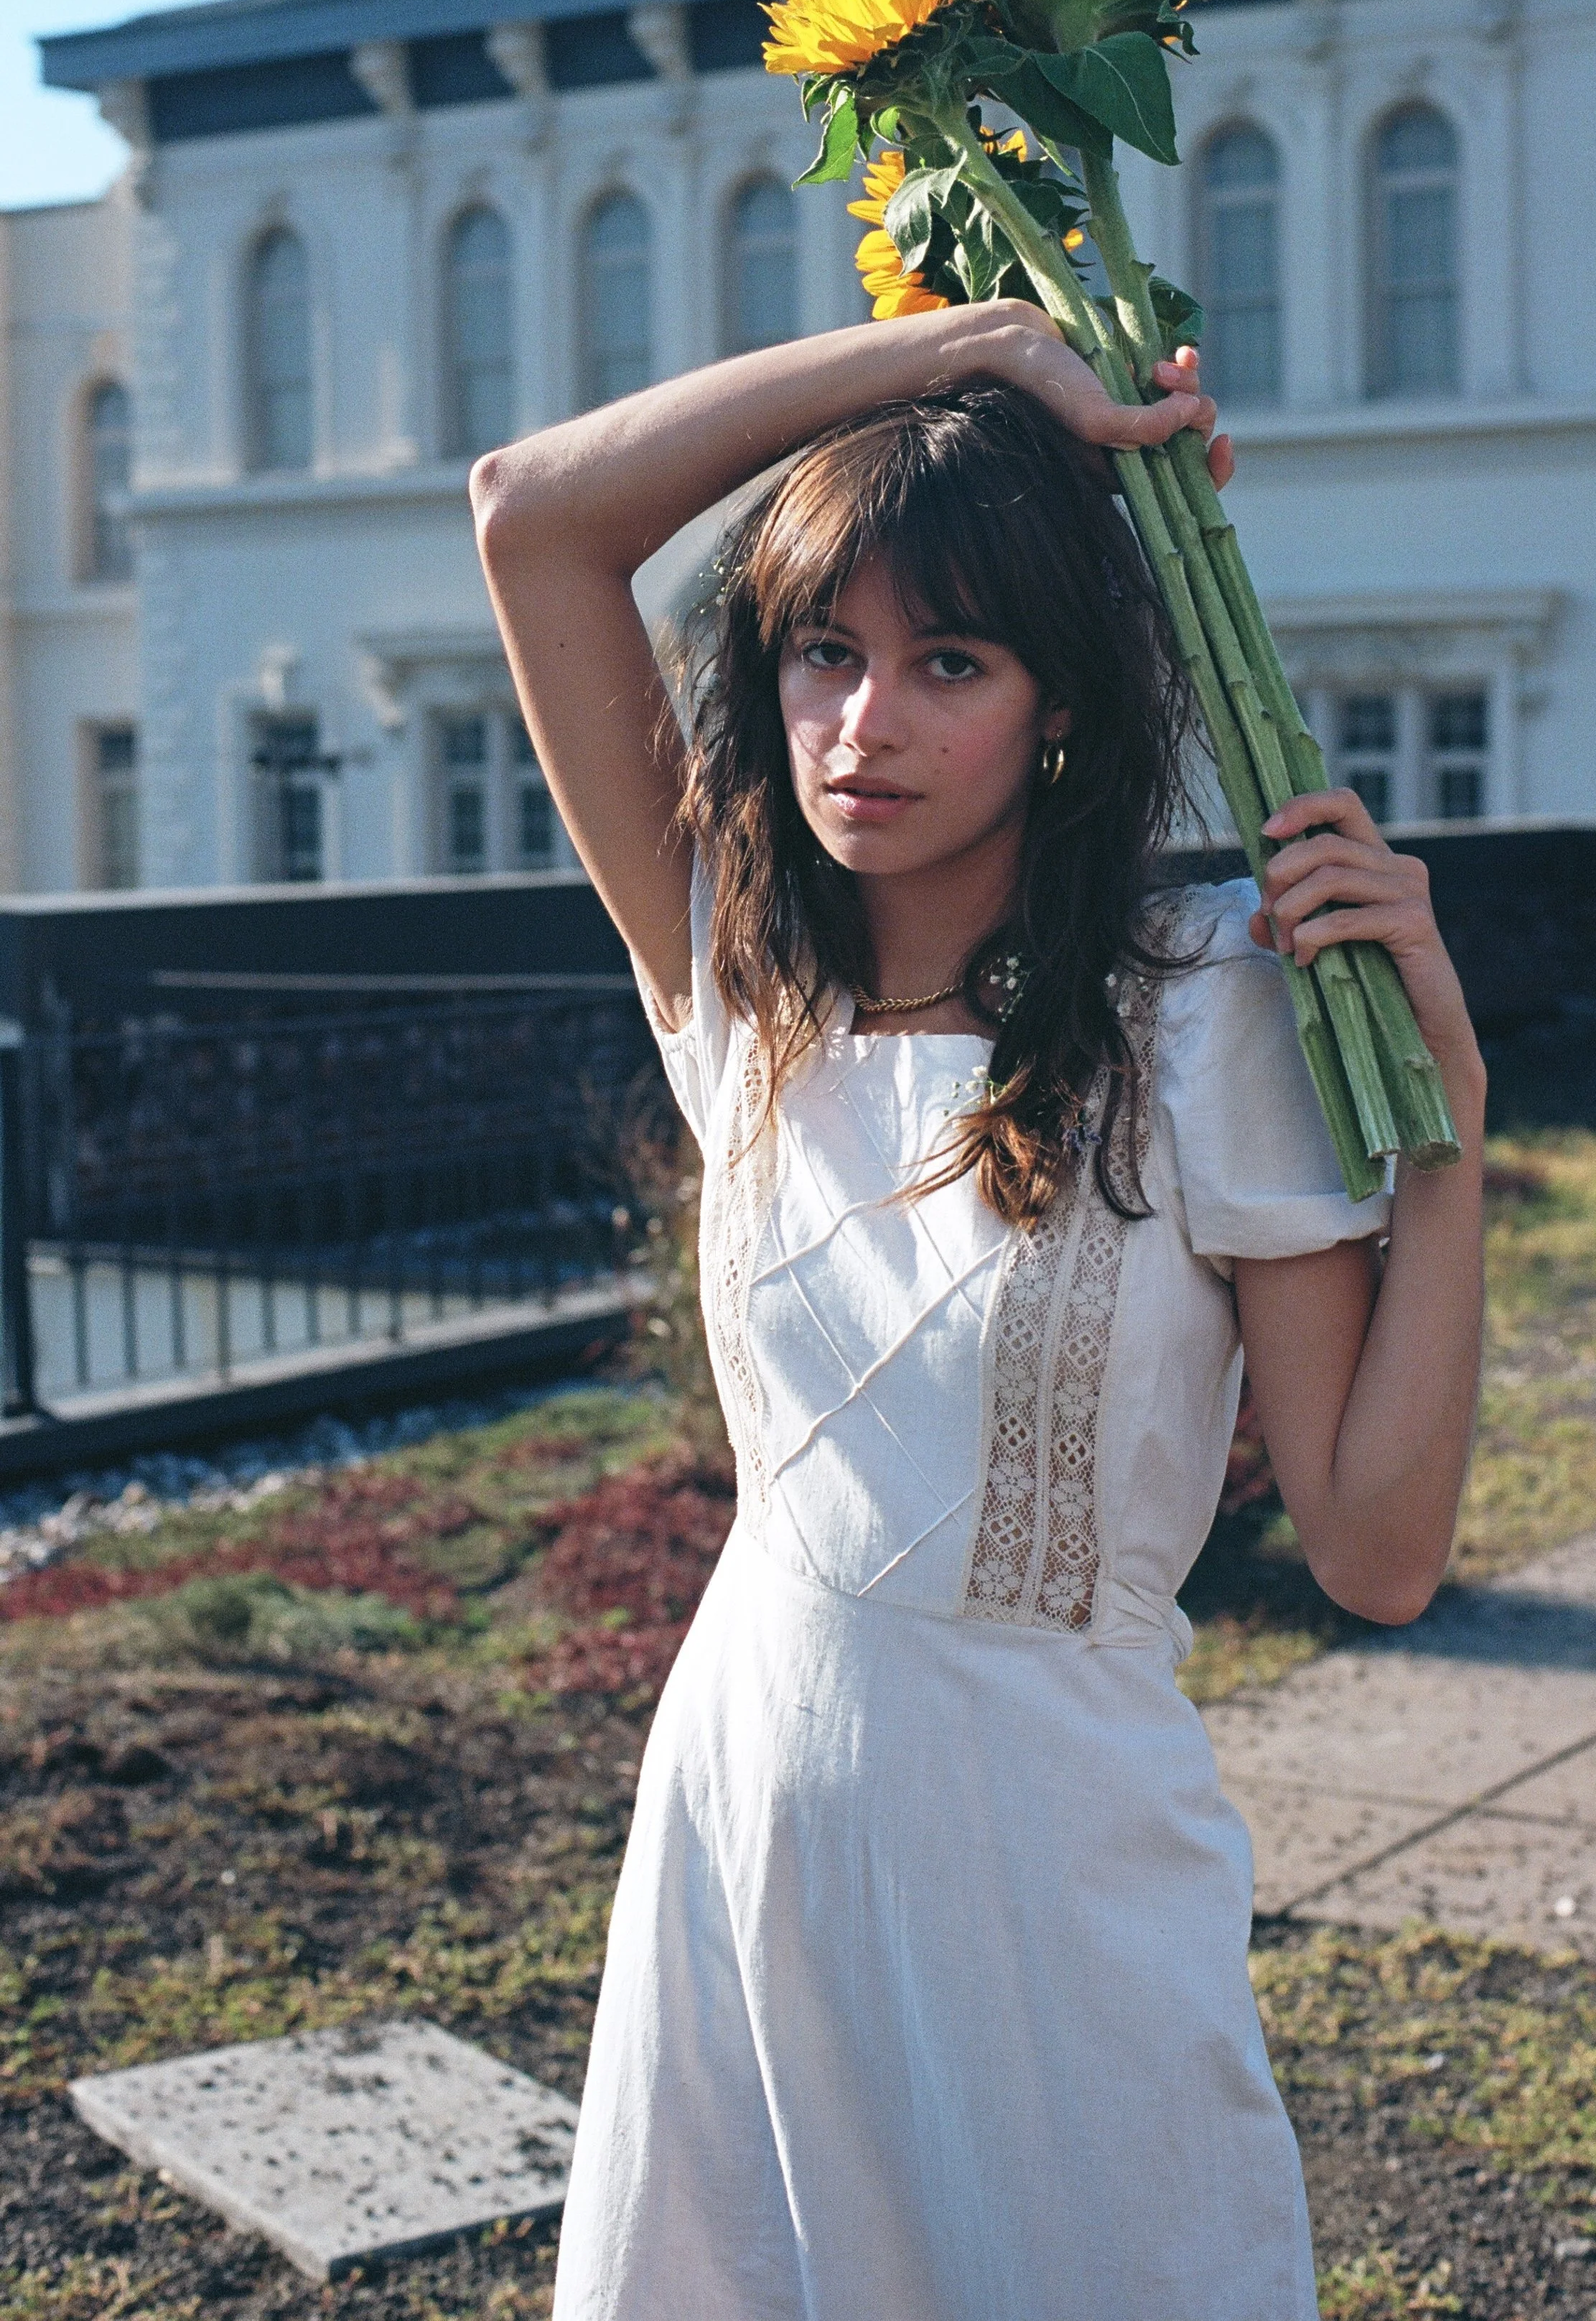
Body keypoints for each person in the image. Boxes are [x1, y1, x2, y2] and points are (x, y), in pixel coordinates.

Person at [472, 300, 1485, 2321]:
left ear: (1058, 709)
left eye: (950, 661)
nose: (864, 722)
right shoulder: (734, 981)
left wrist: (1444, 1144)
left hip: (1057, 1874)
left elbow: (1378, 1555)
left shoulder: (1207, 1003)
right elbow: (531, 518)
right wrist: (981, 351)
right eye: (821, 653)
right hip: (747, 1818)